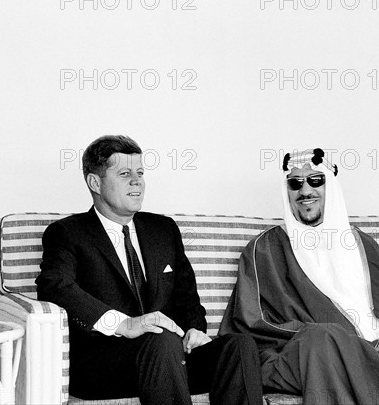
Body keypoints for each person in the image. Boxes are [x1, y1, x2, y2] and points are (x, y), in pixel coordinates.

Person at [219, 148, 379, 405]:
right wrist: (359, 345)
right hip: (319, 349)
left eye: (315, 181)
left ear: (331, 187)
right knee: (323, 340)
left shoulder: (362, 243)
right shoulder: (264, 249)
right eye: (295, 183)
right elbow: (252, 321)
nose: (305, 191)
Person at [36, 135, 262, 405]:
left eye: (140, 173)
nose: (137, 181)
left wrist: (194, 330)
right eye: (124, 174)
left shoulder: (163, 230)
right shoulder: (68, 233)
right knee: (162, 340)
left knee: (239, 346)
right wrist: (122, 324)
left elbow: (186, 297)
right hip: (107, 366)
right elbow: (54, 286)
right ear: (95, 183)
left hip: (173, 359)